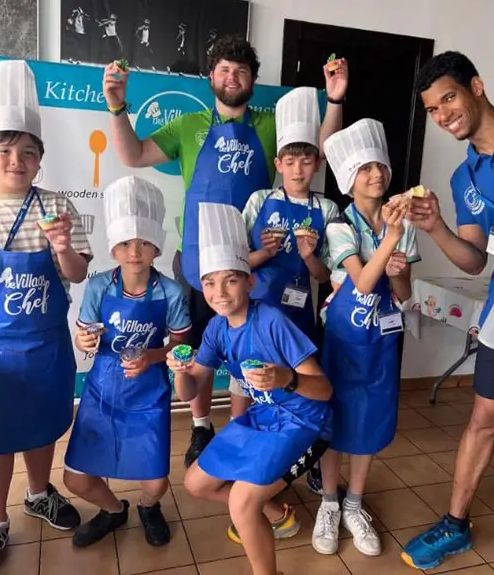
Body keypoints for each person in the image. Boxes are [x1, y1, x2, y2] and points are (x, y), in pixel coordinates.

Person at [104, 34, 349, 468]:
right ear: (211, 77)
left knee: (252, 344)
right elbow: (134, 154)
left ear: (252, 79)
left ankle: (265, 424)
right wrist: (117, 107)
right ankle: (202, 426)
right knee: (198, 345)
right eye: (223, 69)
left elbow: (320, 150)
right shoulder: (188, 126)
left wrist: (334, 100)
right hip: (197, 260)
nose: (232, 77)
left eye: (240, 70)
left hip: (256, 264)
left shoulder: (271, 124)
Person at [401, 51, 494, 575]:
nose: (443, 116)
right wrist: (436, 226)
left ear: (477, 87)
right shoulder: (467, 177)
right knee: (483, 418)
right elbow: (473, 257)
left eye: (448, 98)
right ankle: (455, 522)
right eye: (433, 110)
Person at [167, 202, 332, 575]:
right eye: (209, 282)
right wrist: (178, 369)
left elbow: (323, 390)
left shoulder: (272, 321)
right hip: (264, 416)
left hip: (304, 421)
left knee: (240, 502)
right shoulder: (215, 328)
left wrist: (285, 379)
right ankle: (277, 514)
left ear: (249, 281)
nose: (219, 292)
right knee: (195, 482)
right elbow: (189, 391)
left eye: (230, 279)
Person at [0, 59, 92, 575]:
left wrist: (64, 247)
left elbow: (79, 273)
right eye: (6, 151)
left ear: (39, 161)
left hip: (44, 346)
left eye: (27, 153)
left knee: (43, 425)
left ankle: (39, 493)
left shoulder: (57, 204)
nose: (16, 161)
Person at [63, 175, 191, 548]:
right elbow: (84, 334)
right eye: (124, 244)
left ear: (156, 248)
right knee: (76, 480)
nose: (134, 251)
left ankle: (147, 507)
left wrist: (154, 355)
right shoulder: (99, 285)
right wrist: (83, 338)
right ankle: (113, 509)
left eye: (143, 243)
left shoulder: (169, 291)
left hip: (149, 395)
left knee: (156, 482)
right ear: (114, 249)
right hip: (102, 390)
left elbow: (181, 341)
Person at [310, 119, 419, 557]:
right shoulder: (339, 225)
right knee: (336, 423)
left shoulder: (404, 225)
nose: (377, 174)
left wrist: (402, 270)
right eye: (365, 168)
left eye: (381, 166)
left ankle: (355, 504)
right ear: (348, 179)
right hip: (343, 341)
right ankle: (330, 503)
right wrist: (389, 240)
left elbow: (404, 295)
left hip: (382, 342)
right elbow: (357, 282)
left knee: (370, 422)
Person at [236, 86, 338, 418]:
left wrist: (309, 255)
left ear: (317, 164)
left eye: (306, 162)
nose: (298, 171)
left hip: (299, 316)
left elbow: (327, 277)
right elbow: (235, 264)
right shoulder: (259, 201)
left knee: (297, 389)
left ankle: (296, 449)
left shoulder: (327, 208)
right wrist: (264, 253)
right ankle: (240, 447)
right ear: (278, 163)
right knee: (247, 384)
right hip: (255, 311)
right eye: (290, 162)